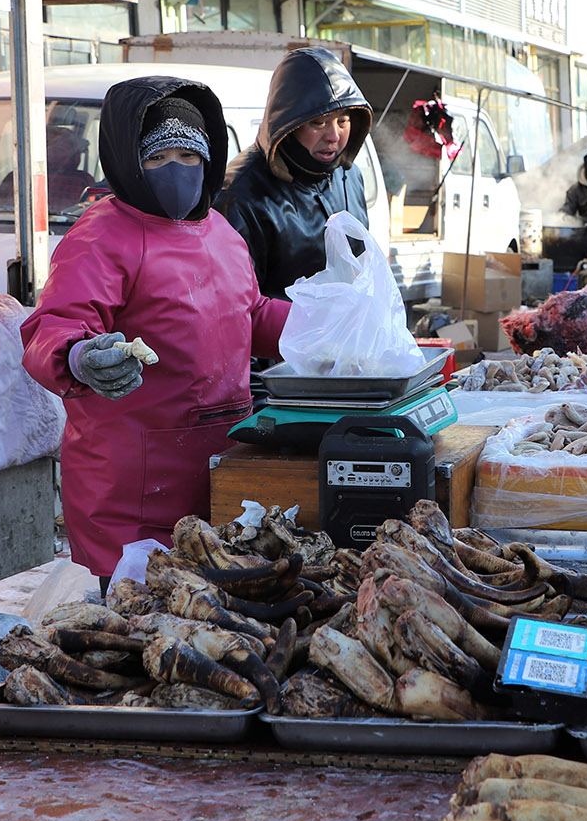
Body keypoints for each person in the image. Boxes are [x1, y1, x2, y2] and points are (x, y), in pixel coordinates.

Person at [21, 75, 289, 584]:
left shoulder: (219, 231)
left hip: (221, 460)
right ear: (129, 162)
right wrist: (79, 357)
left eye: (188, 157)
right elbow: (52, 328)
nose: (176, 171)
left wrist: (319, 327)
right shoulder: (102, 235)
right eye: (157, 158)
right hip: (133, 486)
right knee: (141, 618)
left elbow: (248, 314)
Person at [218, 46, 374, 299]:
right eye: (318, 122)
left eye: (343, 121)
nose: (333, 136)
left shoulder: (349, 175)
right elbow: (236, 300)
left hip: (348, 322)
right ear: (289, 124)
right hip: (282, 325)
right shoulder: (240, 191)